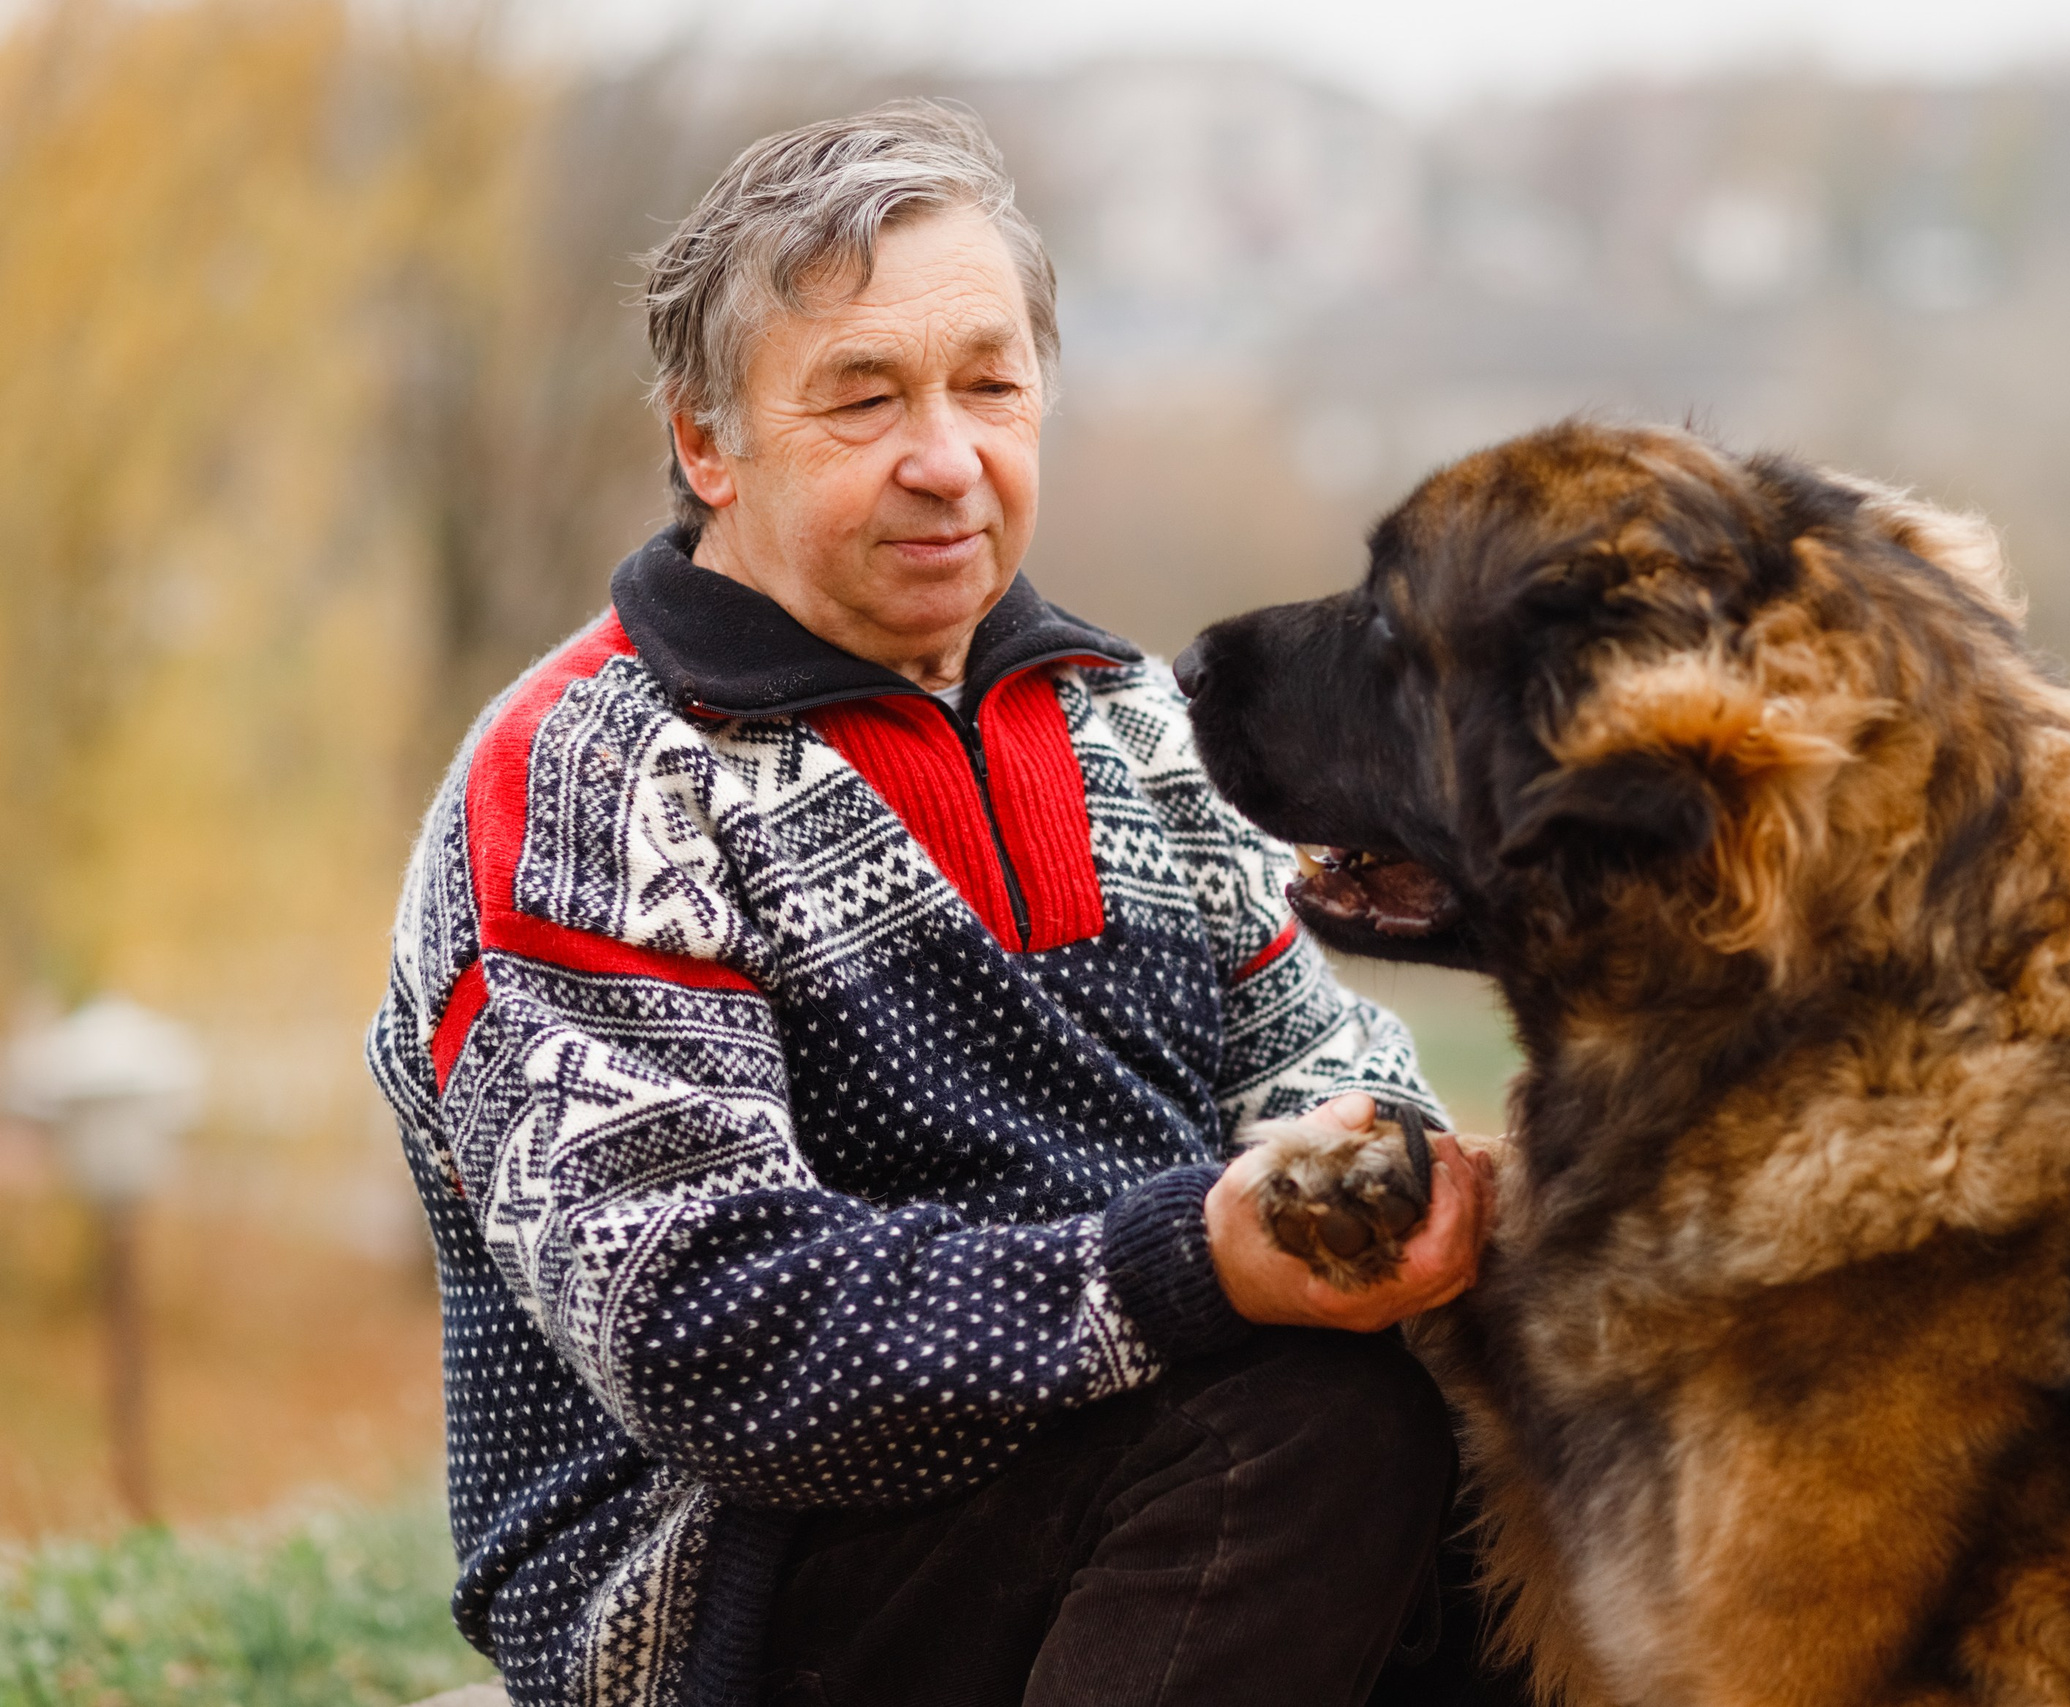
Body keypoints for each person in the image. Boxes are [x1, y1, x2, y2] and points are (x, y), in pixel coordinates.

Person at [367, 100, 1511, 1707]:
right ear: (710, 444)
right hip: (709, 1583)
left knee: (1533, 1447)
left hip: (1147, 1472)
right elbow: (712, 1329)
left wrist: (1412, 1203)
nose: (946, 458)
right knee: (1306, 1430)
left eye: (988, 385)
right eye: (863, 400)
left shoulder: (1136, 728)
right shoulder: (589, 775)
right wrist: (1193, 1263)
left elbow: (1324, 1082)